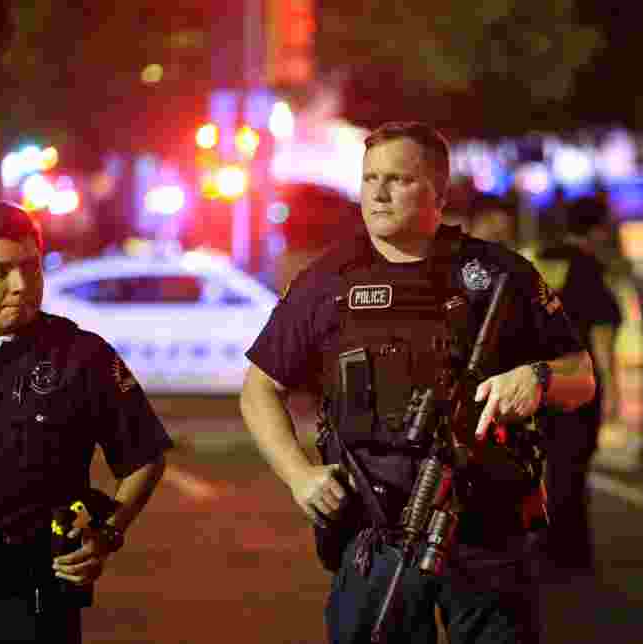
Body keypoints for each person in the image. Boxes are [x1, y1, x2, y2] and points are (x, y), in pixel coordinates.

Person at [240, 121, 596, 643]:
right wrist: (298, 476)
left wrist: (538, 379)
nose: (378, 194)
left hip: (487, 532)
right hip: (376, 529)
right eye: (369, 179)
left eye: (398, 180)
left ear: (439, 191)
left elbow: (581, 378)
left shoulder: (498, 275)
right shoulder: (326, 281)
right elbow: (258, 389)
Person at [0, 201, 173, 642]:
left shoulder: (82, 357)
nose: (21, 285)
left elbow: (144, 455)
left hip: (34, 605)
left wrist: (107, 533)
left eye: (31, 268)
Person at [538, 194, 623, 573]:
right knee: (573, 465)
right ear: (598, 229)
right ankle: (568, 551)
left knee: (549, 464)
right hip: (577, 379)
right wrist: (614, 388)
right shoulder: (589, 267)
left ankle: (548, 544)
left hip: (538, 379)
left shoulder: (542, 259)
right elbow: (601, 332)